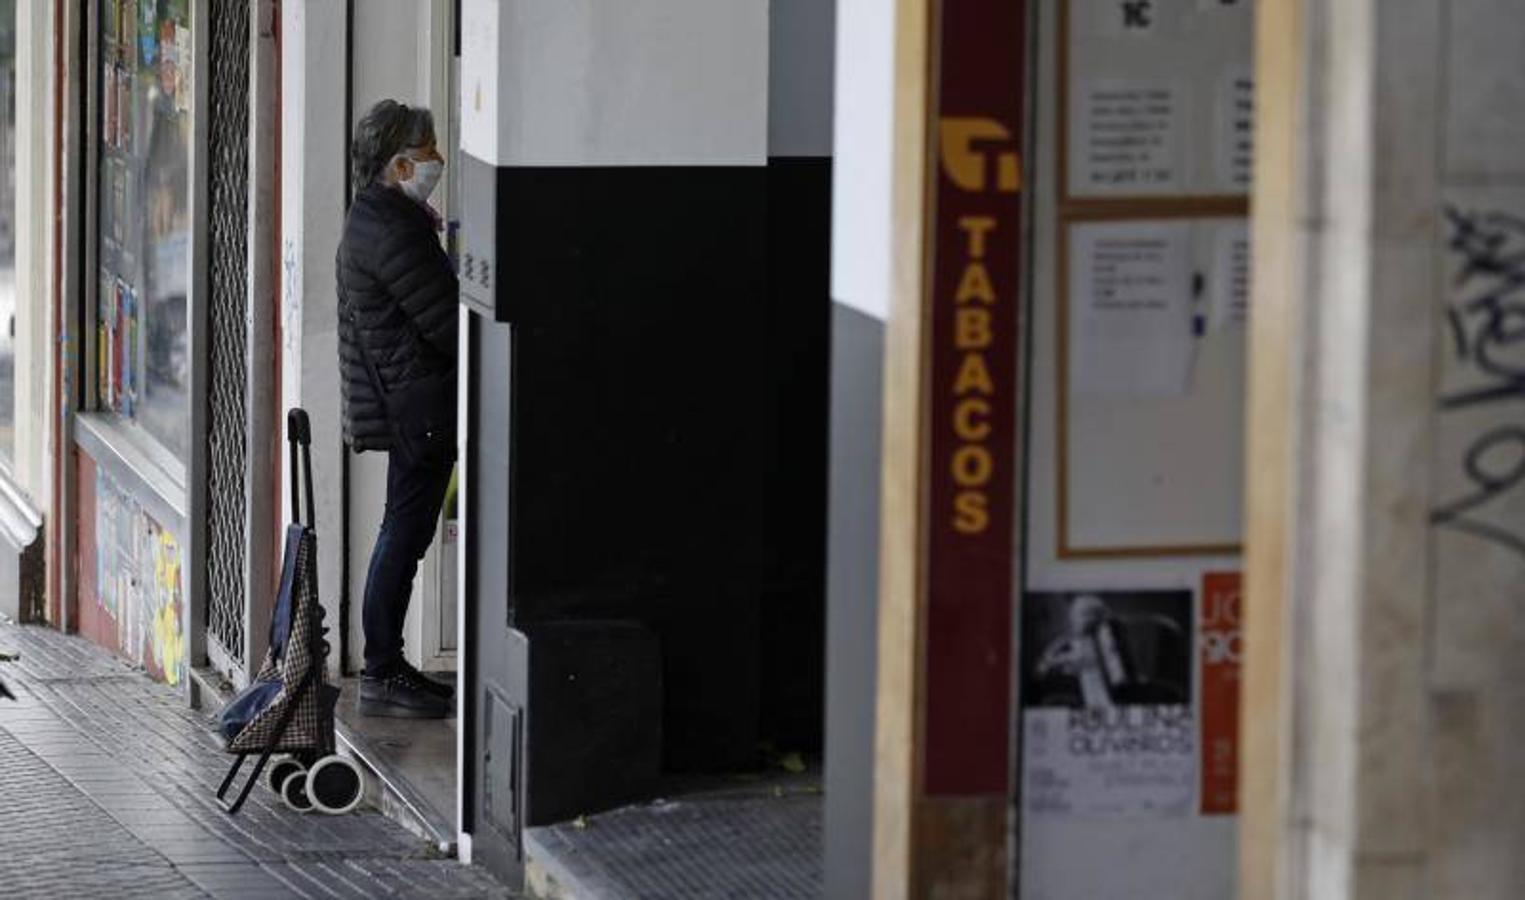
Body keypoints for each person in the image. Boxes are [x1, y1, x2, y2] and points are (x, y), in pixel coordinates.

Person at [337, 100, 457, 718]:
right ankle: (384, 669)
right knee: (403, 535)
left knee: (401, 532)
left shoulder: (378, 217)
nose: (438, 160)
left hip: (408, 397)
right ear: (399, 163)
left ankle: (387, 665)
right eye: (428, 150)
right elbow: (445, 321)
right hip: (421, 402)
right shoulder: (392, 228)